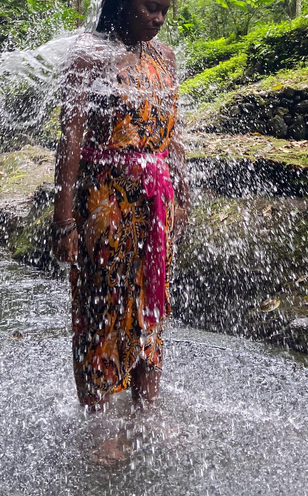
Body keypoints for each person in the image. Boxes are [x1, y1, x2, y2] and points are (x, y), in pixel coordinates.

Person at [53, 0, 189, 412]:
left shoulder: (164, 57)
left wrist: (183, 192)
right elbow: (70, 138)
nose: (159, 19)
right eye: (151, 7)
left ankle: (145, 411)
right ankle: (96, 420)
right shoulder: (88, 57)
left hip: (155, 202)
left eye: (166, 10)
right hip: (104, 203)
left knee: (151, 303)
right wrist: (64, 220)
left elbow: (173, 133)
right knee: (102, 307)